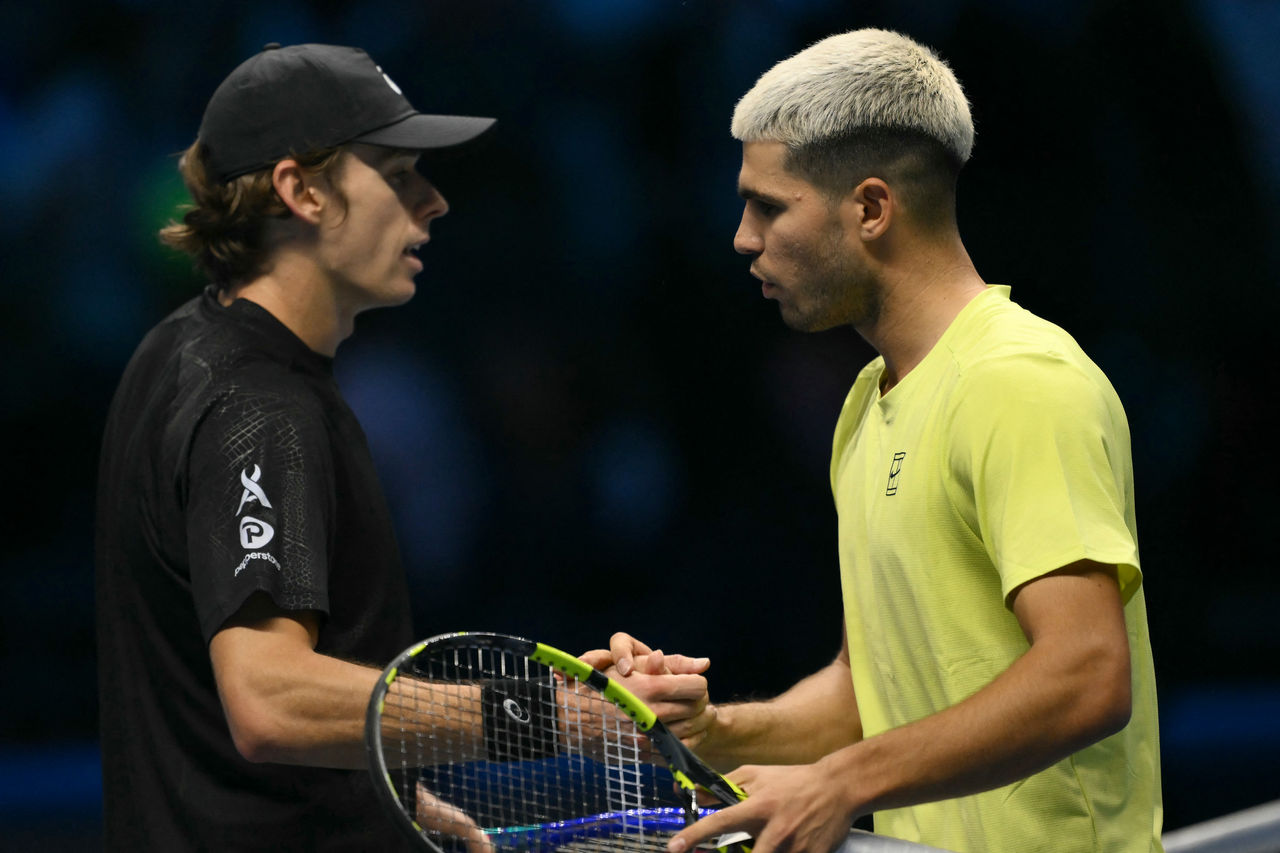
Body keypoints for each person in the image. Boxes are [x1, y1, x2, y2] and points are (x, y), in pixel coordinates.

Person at [594, 28, 1162, 853]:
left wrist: (845, 779)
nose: (742, 238)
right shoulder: (868, 399)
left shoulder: (1020, 380)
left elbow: (1087, 675)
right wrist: (714, 727)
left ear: (870, 207)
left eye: (770, 205)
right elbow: (876, 692)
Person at [92, 42, 502, 850]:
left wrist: (389, 804)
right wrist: (543, 714)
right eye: (398, 173)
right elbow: (268, 699)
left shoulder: (179, 349)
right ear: (302, 190)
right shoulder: (259, 402)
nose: (434, 201)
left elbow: (200, 712)